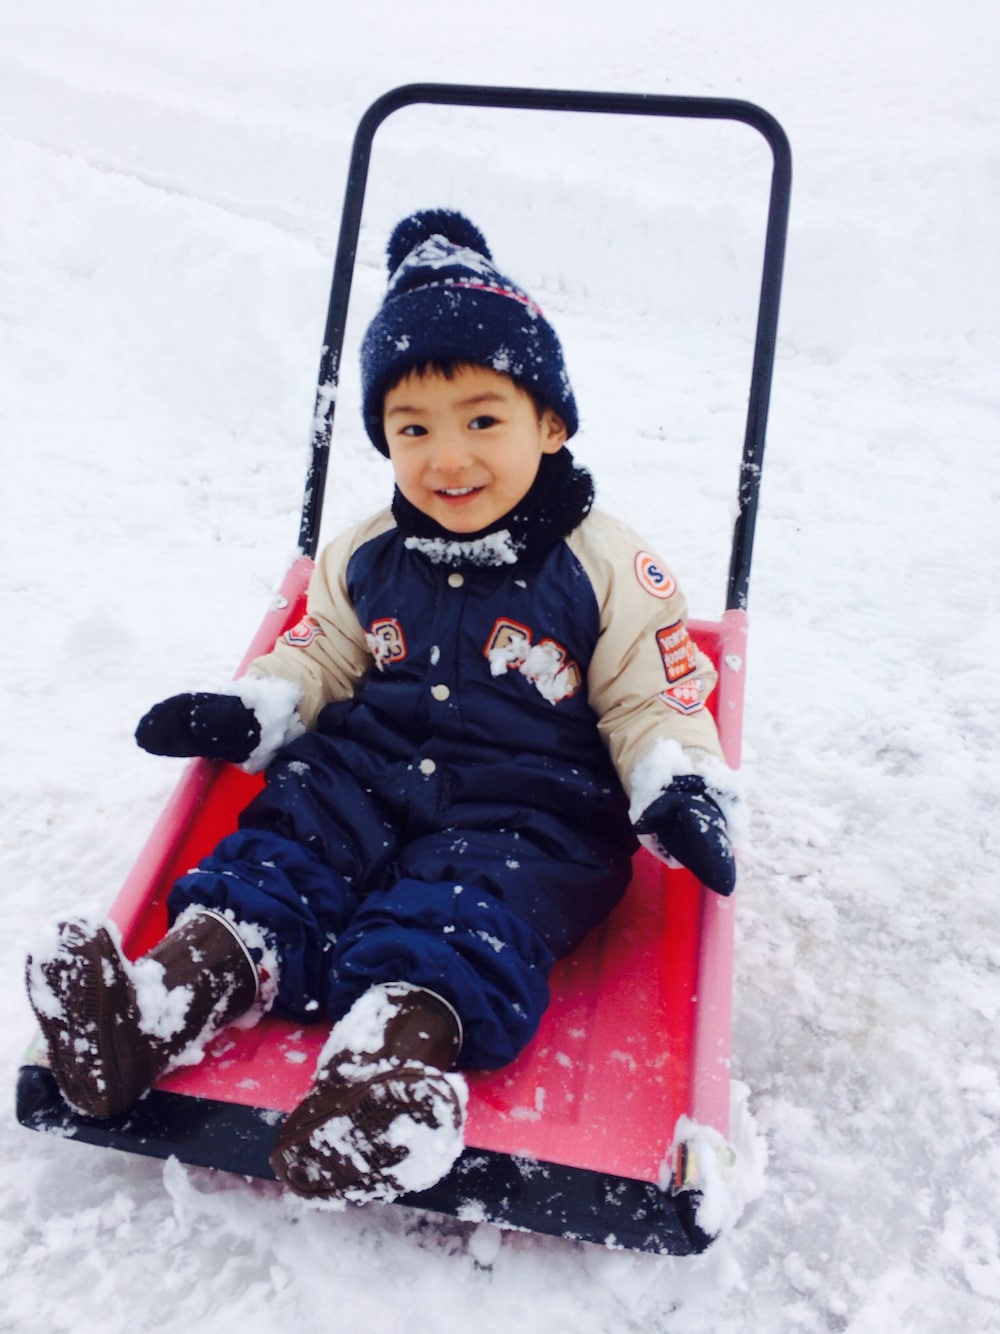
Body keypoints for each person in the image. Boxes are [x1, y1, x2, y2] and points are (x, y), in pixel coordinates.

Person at [26, 209, 739, 1208]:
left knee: (459, 916)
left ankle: (377, 1086)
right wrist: (254, 710)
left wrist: (677, 786)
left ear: (551, 424)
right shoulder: (366, 551)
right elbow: (320, 648)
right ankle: (143, 1018)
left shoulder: (608, 565)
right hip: (364, 774)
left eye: (482, 421)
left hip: (527, 810)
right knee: (277, 860)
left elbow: (653, 692)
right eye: (413, 429)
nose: (447, 458)